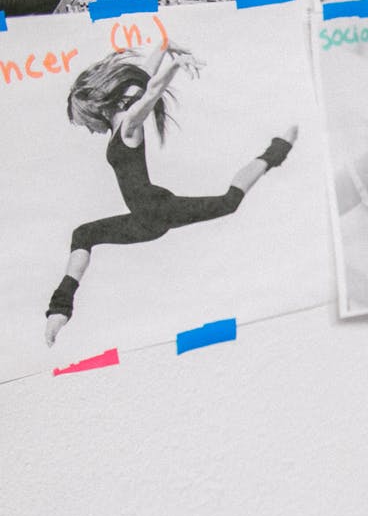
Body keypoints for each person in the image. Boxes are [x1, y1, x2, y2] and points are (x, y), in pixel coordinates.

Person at [45, 44, 296, 346]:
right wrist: (164, 48)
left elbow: (151, 92)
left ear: (97, 108)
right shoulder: (123, 122)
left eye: (84, 121)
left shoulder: (128, 127)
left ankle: (276, 150)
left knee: (229, 202)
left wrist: (175, 67)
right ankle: (59, 310)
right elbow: (144, 78)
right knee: (83, 233)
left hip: (157, 210)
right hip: (144, 220)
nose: (88, 129)